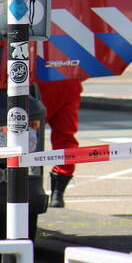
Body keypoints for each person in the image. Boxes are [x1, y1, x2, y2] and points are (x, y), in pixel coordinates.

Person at [36, 78, 83, 208]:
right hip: (68, 84)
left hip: (37, 85)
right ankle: (58, 194)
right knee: (66, 139)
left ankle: (24, 188)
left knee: (25, 137)